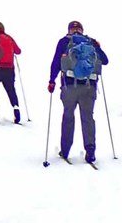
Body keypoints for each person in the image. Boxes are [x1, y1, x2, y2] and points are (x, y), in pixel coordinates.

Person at [47, 20, 111, 163]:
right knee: (88, 118)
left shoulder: (63, 42)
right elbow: (105, 61)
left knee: (68, 117)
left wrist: (52, 80)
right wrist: (98, 48)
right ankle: (90, 151)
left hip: (69, 86)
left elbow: (56, 63)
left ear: (69, 30)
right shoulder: (91, 42)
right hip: (89, 86)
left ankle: (65, 150)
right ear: (82, 30)